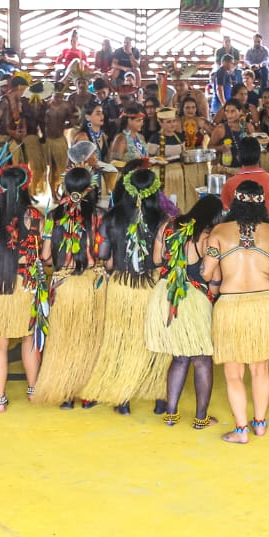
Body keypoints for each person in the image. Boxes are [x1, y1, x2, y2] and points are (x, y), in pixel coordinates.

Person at [202, 179, 269, 444]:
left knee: (233, 372)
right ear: (263, 203)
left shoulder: (219, 232)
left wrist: (221, 271)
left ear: (234, 203)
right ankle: (260, 424)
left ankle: (241, 430)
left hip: (231, 305)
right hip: (264, 304)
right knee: (260, 369)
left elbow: (207, 273)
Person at [82, 167, 171, 415]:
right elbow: (163, 258)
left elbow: (103, 257)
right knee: (156, 340)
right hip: (152, 287)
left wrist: (115, 263)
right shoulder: (163, 220)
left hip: (122, 286)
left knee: (122, 340)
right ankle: (159, 398)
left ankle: (123, 400)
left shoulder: (111, 217)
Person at [31, 166, 108, 407]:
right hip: (91, 284)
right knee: (88, 339)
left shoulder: (53, 216)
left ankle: (64, 395)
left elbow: (45, 257)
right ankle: (86, 394)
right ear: (90, 188)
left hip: (63, 285)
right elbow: (103, 252)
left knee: (63, 340)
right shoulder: (99, 216)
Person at [148, 196, 222, 428]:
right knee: (201, 359)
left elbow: (157, 260)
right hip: (193, 298)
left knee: (179, 357)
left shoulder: (167, 226)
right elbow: (212, 276)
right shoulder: (207, 237)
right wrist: (213, 295)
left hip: (166, 294)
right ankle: (201, 418)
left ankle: (171, 414)